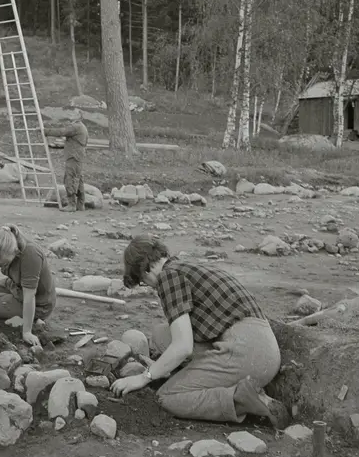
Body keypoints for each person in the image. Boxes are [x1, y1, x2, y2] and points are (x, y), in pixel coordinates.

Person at [110, 235, 290, 428]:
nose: (150, 287)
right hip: (262, 347)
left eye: (143, 281)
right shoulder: (186, 267)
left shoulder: (168, 277)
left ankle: (243, 399)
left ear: (144, 270)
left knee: (168, 396)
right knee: (161, 334)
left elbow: (183, 347)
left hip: (246, 352)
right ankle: (200, 377)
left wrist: (143, 377)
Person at [0, 225, 55, 349]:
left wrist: (27, 332)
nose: (0, 266)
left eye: (3, 264)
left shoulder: (30, 254)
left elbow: (29, 296)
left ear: (16, 252)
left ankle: (32, 318)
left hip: (38, 303)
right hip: (14, 285)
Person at [46, 110, 88, 211]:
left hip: (74, 156)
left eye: (73, 113)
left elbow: (61, 132)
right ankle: (80, 204)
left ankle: (72, 204)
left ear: (79, 116)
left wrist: (45, 131)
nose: (70, 114)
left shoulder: (76, 126)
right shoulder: (81, 126)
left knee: (70, 178)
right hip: (77, 155)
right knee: (78, 179)